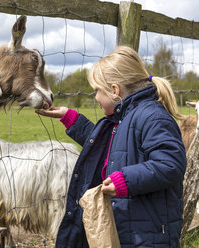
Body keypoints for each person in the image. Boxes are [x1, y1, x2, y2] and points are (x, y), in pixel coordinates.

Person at [36, 46, 187, 248]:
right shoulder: (124, 119)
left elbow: (171, 164)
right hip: (130, 228)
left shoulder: (153, 117)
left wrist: (125, 180)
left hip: (149, 235)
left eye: (97, 90)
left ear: (115, 90)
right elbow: (112, 148)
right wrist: (70, 118)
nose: (96, 97)